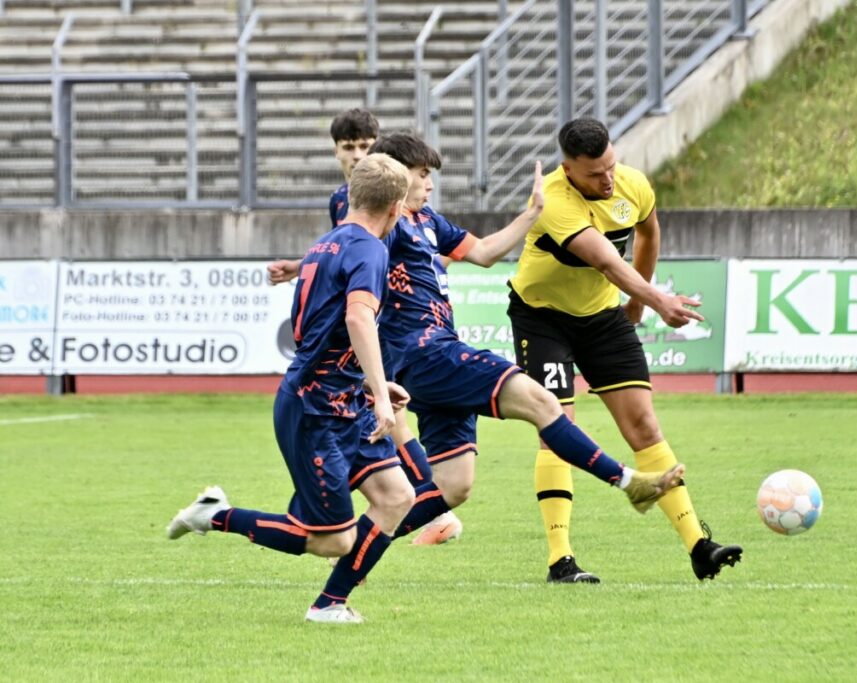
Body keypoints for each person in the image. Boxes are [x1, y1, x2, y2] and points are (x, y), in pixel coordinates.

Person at [271, 133, 686, 548]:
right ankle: (627, 481)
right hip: (425, 351)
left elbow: (486, 252)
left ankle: (350, 551)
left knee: (453, 486)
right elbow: (349, 229)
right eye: (422, 175)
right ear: (398, 179)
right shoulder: (385, 223)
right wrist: (303, 263)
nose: (430, 184)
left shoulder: (429, 221)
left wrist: (533, 213)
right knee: (542, 402)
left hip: (432, 356)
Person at [168, 154, 416, 624]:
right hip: (314, 408)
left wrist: (373, 382)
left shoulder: (326, 244)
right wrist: (381, 397)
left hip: (343, 400)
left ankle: (329, 604)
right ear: (396, 208)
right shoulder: (371, 249)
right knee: (334, 539)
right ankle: (216, 515)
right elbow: (357, 317)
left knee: (396, 497)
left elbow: (322, 332)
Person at [507, 117, 742, 583]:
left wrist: (638, 301)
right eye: (595, 173)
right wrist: (658, 303)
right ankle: (561, 560)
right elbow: (607, 260)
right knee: (556, 425)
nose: (608, 178)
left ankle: (699, 546)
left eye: (611, 165)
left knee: (645, 425)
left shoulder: (632, 184)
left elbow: (649, 235)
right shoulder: (553, 200)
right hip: (543, 317)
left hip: (603, 317)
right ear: (569, 169)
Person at [269, 109, 462, 546]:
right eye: (348, 147)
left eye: (364, 145)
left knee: (395, 445)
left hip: (356, 361)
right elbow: (357, 303)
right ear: (397, 208)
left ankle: (409, 518)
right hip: (336, 376)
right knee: (333, 535)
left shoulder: (339, 231)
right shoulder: (360, 222)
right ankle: (415, 514)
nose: (357, 154)